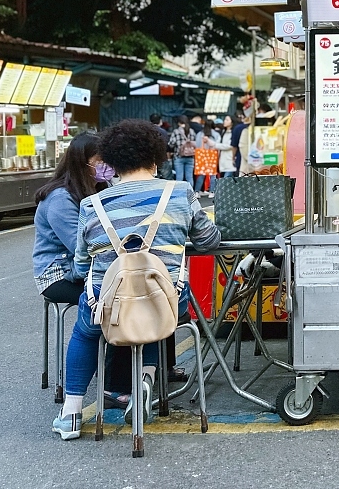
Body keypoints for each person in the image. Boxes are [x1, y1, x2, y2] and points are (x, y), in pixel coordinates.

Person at [53, 119, 220, 440]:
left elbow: (80, 264)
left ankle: (71, 413)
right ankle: (144, 384)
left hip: (107, 301)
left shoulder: (91, 205)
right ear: (156, 158)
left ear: (112, 162)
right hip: (167, 300)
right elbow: (210, 241)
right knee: (156, 315)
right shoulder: (180, 192)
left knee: (86, 332)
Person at [32, 133, 107, 305]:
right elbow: (80, 246)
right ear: (83, 162)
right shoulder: (59, 199)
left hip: (87, 269)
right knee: (115, 297)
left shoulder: (101, 189)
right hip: (58, 275)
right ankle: (86, 333)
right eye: (101, 160)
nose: (107, 166)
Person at [168, 115, 197, 187]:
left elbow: (171, 144)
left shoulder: (176, 131)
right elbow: (196, 143)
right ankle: (190, 195)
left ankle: (179, 195)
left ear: (178, 123)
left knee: (179, 177)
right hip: (190, 157)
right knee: (189, 177)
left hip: (179, 156)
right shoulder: (192, 131)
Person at [193, 119, 220, 193]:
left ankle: (197, 191)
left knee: (201, 174)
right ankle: (212, 192)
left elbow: (197, 146)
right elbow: (217, 145)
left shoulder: (199, 134)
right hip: (212, 155)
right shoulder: (216, 134)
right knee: (213, 175)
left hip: (202, 156)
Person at [150, 113, 173, 179]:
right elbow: (167, 145)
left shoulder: (146, 131)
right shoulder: (163, 132)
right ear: (160, 121)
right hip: (162, 157)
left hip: (150, 159)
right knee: (167, 178)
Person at [215, 115, 238, 180]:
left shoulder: (233, 132)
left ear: (232, 122)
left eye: (227, 120)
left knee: (226, 180)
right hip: (223, 161)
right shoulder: (223, 132)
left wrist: (215, 145)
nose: (225, 121)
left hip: (230, 160)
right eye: (225, 119)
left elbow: (230, 146)